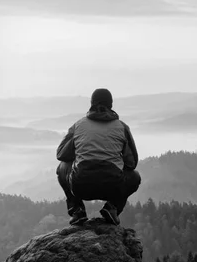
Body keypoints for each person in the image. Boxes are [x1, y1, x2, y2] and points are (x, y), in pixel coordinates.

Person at [56, 88, 141, 226]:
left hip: (80, 185)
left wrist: (81, 143)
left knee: (62, 168)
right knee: (134, 177)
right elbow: (132, 163)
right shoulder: (122, 127)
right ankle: (112, 208)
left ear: (91, 104)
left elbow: (61, 154)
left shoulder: (78, 125)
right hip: (113, 187)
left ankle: (77, 211)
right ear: (111, 105)